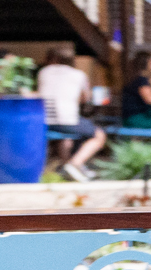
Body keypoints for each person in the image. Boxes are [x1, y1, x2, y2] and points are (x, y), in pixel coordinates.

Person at [37, 48, 108, 181]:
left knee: (68, 137)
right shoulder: (79, 75)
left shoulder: (43, 72)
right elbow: (85, 98)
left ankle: (67, 169)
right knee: (99, 135)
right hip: (66, 119)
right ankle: (75, 164)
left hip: (43, 120)